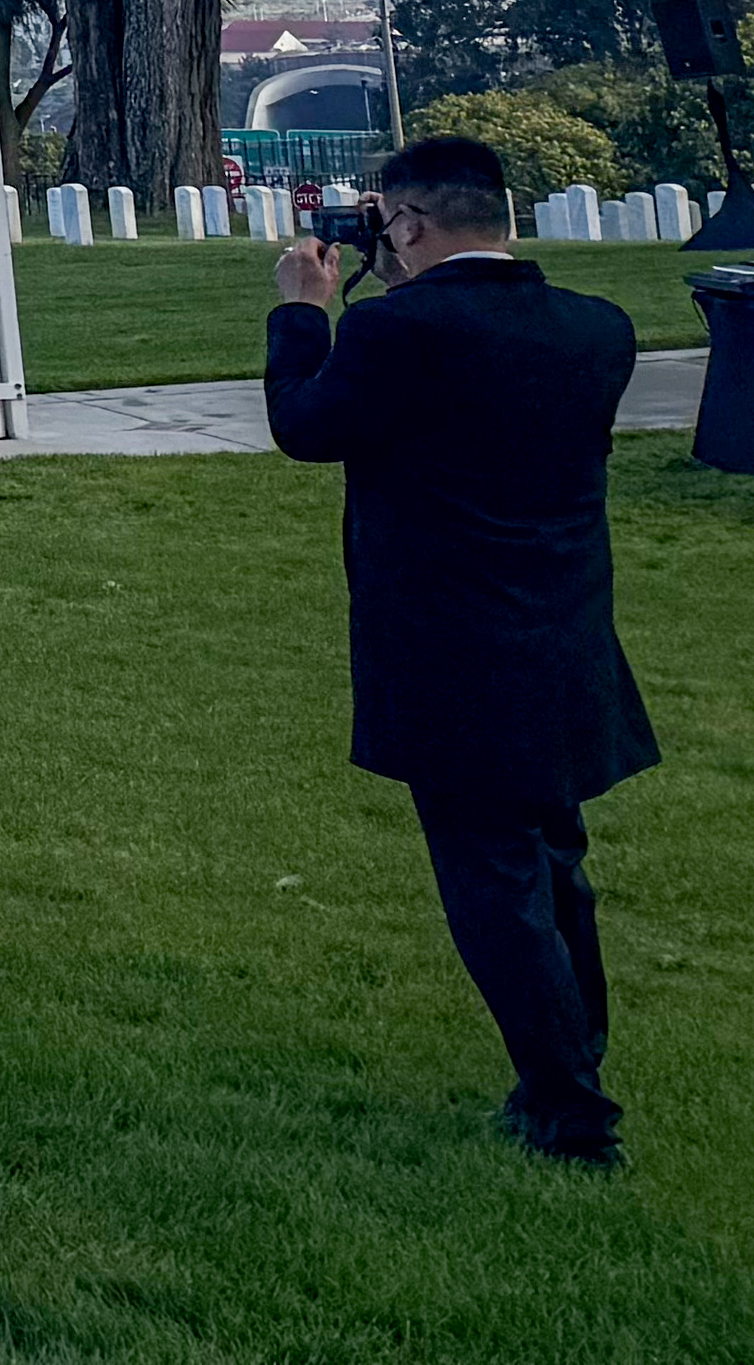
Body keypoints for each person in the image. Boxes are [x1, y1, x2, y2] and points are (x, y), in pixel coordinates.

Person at [270, 138, 662, 1166]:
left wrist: (302, 312)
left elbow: (306, 428)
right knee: (557, 865)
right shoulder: (597, 329)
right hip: (564, 628)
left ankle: (572, 1115)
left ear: (406, 225)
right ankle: (570, 1068)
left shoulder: (398, 330)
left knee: (494, 884)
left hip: (449, 644)